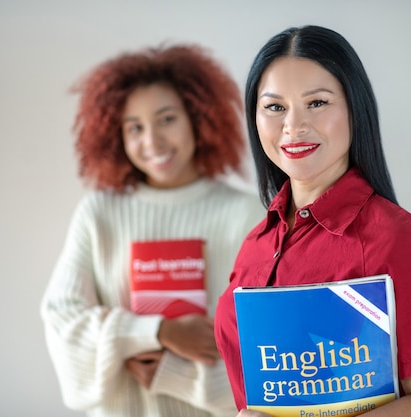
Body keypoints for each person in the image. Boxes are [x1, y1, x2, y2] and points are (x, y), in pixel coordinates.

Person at [214, 25, 411, 417]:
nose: (293, 126)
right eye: (275, 106)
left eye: (316, 103)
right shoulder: (256, 244)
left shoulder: (398, 241)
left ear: (355, 107)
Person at [41, 43, 265, 417]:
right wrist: (157, 332)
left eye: (166, 119)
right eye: (135, 127)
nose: (153, 141)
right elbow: (63, 322)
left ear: (198, 117)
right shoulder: (99, 213)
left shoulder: (246, 215)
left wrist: (172, 374)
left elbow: (270, 354)